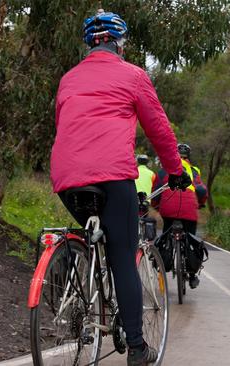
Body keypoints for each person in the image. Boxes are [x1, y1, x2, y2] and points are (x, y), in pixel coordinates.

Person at [49, 10, 191, 366]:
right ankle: (139, 350)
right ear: (120, 43)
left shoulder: (68, 79)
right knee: (122, 258)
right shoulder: (133, 75)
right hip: (113, 176)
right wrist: (175, 171)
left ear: (89, 44)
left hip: (67, 177)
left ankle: (78, 261)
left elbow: (64, 125)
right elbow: (159, 130)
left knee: (93, 230)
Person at [152, 143, 208, 289]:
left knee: (165, 234)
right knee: (191, 238)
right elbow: (201, 190)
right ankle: (192, 275)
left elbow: (157, 189)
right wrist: (201, 202)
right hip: (189, 207)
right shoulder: (194, 170)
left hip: (168, 206)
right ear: (188, 157)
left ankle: (163, 263)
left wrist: (156, 205)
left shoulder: (164, 170)